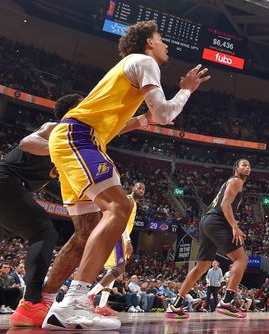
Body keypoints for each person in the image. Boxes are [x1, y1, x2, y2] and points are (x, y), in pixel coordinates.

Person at [43, 20, 210, 330]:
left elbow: (119, 125)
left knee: (85, 232)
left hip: (80, 137)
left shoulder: (129, 68)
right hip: (80, 137)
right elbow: (165, 114)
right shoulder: (146, 62)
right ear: (148, 42)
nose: (166, 46)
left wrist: (144, 120)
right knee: (121, 207)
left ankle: (47, 303)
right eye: (162, 40)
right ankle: (73, 302)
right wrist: (185, 92)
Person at [0, 94, 83, 327]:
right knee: (44, 232)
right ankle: (31, 303)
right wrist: (60, 149)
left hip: (11, 187)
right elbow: (27, 143)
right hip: (6, 180)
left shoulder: (71, 142)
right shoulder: (55, 128)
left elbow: (58, 187)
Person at [167, 159, 251, 320]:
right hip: (217, 221)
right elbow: (225, 204)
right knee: (241, 259)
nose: (247, 168)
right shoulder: (236, 181)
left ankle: (176, 304)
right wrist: (234, 226)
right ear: (236, 168)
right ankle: (227, 301)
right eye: (244, 165)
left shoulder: (231, 182)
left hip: (207, 221)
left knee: (202, 267)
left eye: (249, 166)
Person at [87, 182, 146, 317]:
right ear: (132, 188)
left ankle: (101, 305)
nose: (141, 190)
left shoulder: (134, 203)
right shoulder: (129, 200)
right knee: (119, 268)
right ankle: (91, 294)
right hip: (118, 235)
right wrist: (128, 241)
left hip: (118, 236)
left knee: (112, 272)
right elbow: (122, 220)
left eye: (143, 189)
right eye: (139, 187)